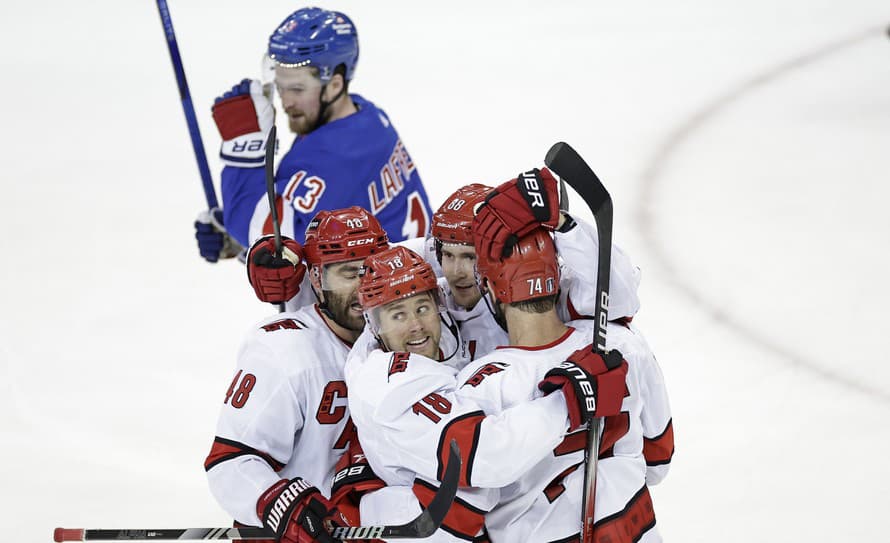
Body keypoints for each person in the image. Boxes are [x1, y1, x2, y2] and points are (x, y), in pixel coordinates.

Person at [341, 245, 629, 542]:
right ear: (374, 326)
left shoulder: (438, 326)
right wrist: (569, 400)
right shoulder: (389, 386)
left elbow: (619, 298)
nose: (416, 326)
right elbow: (481, 455)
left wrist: (559, 235)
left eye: (422, 309)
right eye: (398, 316)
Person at [203, 206, 390, 543]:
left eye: (371, 270)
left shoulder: (404, 330)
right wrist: (281, 504)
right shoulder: (284, 350)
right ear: (316, 278)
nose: (365, 286)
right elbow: (229, 462)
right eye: (350, 273)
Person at [195, 6, 433, 263]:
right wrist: (241, 242)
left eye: (297, 89)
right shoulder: (365, 116)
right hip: (401, 285)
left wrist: (245, 147)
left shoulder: (335, 156)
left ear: (335, 85)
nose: (285, 102)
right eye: (281, 87)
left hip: (385, 298)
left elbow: (277, 248)